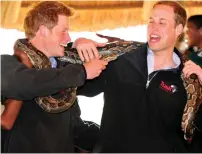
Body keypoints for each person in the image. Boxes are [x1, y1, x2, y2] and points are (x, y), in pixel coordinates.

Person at [77, 1, 202, 152]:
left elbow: (194, 132)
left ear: (178, 29)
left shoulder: (190, 78)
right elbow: (77, 88)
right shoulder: (119, 60)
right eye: (151, 21)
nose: (154, 27)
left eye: (162, 22)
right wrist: (77, 47)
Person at [2, 1, 107, 153]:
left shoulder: (63, 72)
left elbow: (74, 129)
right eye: (63, 31)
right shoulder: (8, 64)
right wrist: (82, 71)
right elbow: (25, 83)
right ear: (43, 30)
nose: (68, 38)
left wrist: (112, 138)